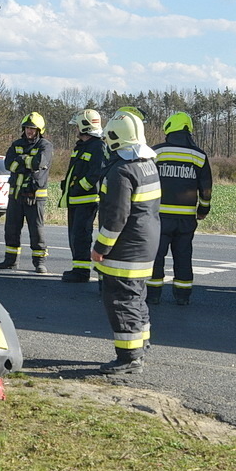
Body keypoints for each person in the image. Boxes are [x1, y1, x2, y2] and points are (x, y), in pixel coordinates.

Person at [91, 109, 160, 374]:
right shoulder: (147, 164)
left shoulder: (120, 172)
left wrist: (100, 248)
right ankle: (140, 345)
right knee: (137, 296)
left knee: (121, 300)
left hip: (126, 248)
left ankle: (129, 357)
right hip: (146, 242)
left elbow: (116, 217)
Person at [149, 112, 213, 306]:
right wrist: (203, 210)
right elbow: (206, 189)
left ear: (169, 128)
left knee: (156, 256)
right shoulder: (199, 155)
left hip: (159, 217)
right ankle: (183, 296)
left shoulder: (157, 152)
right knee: (184, 256)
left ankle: (153, 295)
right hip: (186, 219)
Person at [0, 112, 53, 273]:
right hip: (16, 195)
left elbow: (39, 162)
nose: (29, 131)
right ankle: (10, 260)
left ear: (39, 130)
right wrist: (27, 162)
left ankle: (39, 262)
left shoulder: (45, 146)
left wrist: (21, 160)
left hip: (35, 197)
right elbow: (8, 164)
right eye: (27, 128)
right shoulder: (16, 144)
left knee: (36, 230)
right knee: (11, 229)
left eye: (33, 129)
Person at [58, 108, 108, 283]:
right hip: (76, 199)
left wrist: (79, 187)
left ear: (85, 126)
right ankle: (78, 268)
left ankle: (81, 272)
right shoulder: (82, 146)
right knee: (75, 235)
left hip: (86, 200)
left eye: (77, 126)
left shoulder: (98, 147)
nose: (75, 129)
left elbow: (96, 173)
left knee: (81, 235)